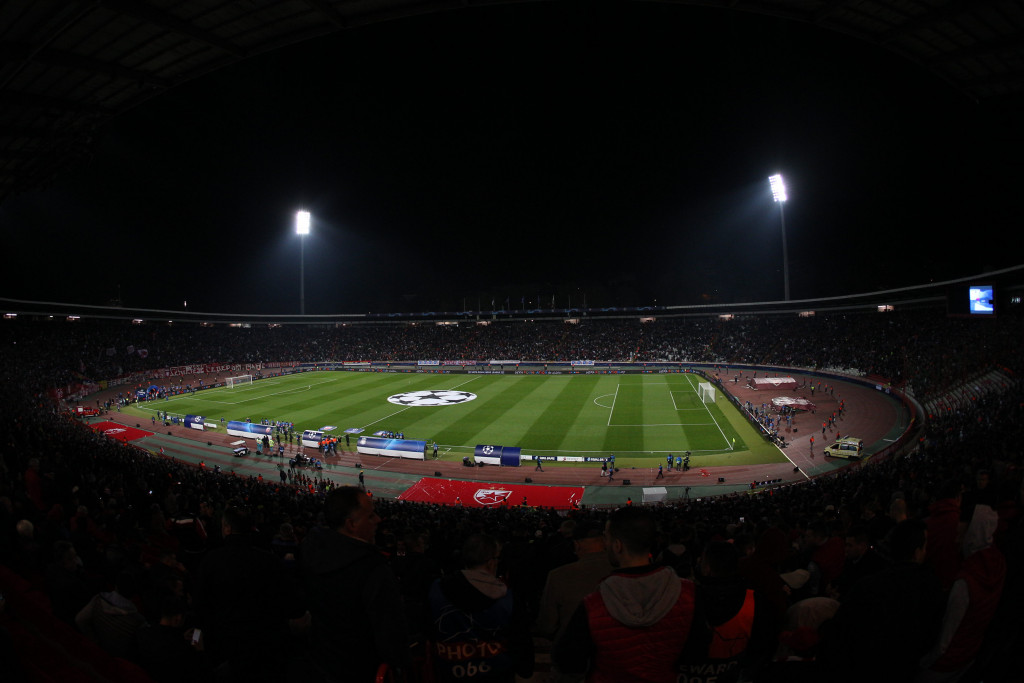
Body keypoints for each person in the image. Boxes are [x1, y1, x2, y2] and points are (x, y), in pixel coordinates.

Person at [553, 506, 700, 682]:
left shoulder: (594, 604)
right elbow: (697, 653)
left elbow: (569, 662)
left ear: (617, 545)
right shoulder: (689, 594)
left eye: (606, 537)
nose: (604, 544)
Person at [301, 486, 411, 682]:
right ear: (351, 524)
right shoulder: (372, 569)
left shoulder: (310, 553)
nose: (378, 519)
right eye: (370, 516)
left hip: (321, 665)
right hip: (362, 669)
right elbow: (392, 636)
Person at [195, 506, 304, 682]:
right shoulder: (269, 561)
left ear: (227, 528)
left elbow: (200, 607)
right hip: (267, 650)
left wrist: (196, 640)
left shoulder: (211, 561)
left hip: (226, 649)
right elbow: (292, 605)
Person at [429, 533, 534, 682]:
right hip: (496, 673)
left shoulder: (437, 589)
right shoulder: (507, 600)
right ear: (491, 562)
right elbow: (521, 642)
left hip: (449, 671)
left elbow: (428, 627)